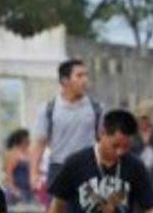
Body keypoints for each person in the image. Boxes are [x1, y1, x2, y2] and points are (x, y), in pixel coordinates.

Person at [30, 59, 103, 193]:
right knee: (56, 207)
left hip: (88, 169)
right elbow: (39, 143)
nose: (85, 80)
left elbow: (103, 140)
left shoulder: (96, 108)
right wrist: (34, 173)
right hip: (59, 168)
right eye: (79, 76)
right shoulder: (48, 109)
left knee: (90, 207)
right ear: (65, 80)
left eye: (86, 75)